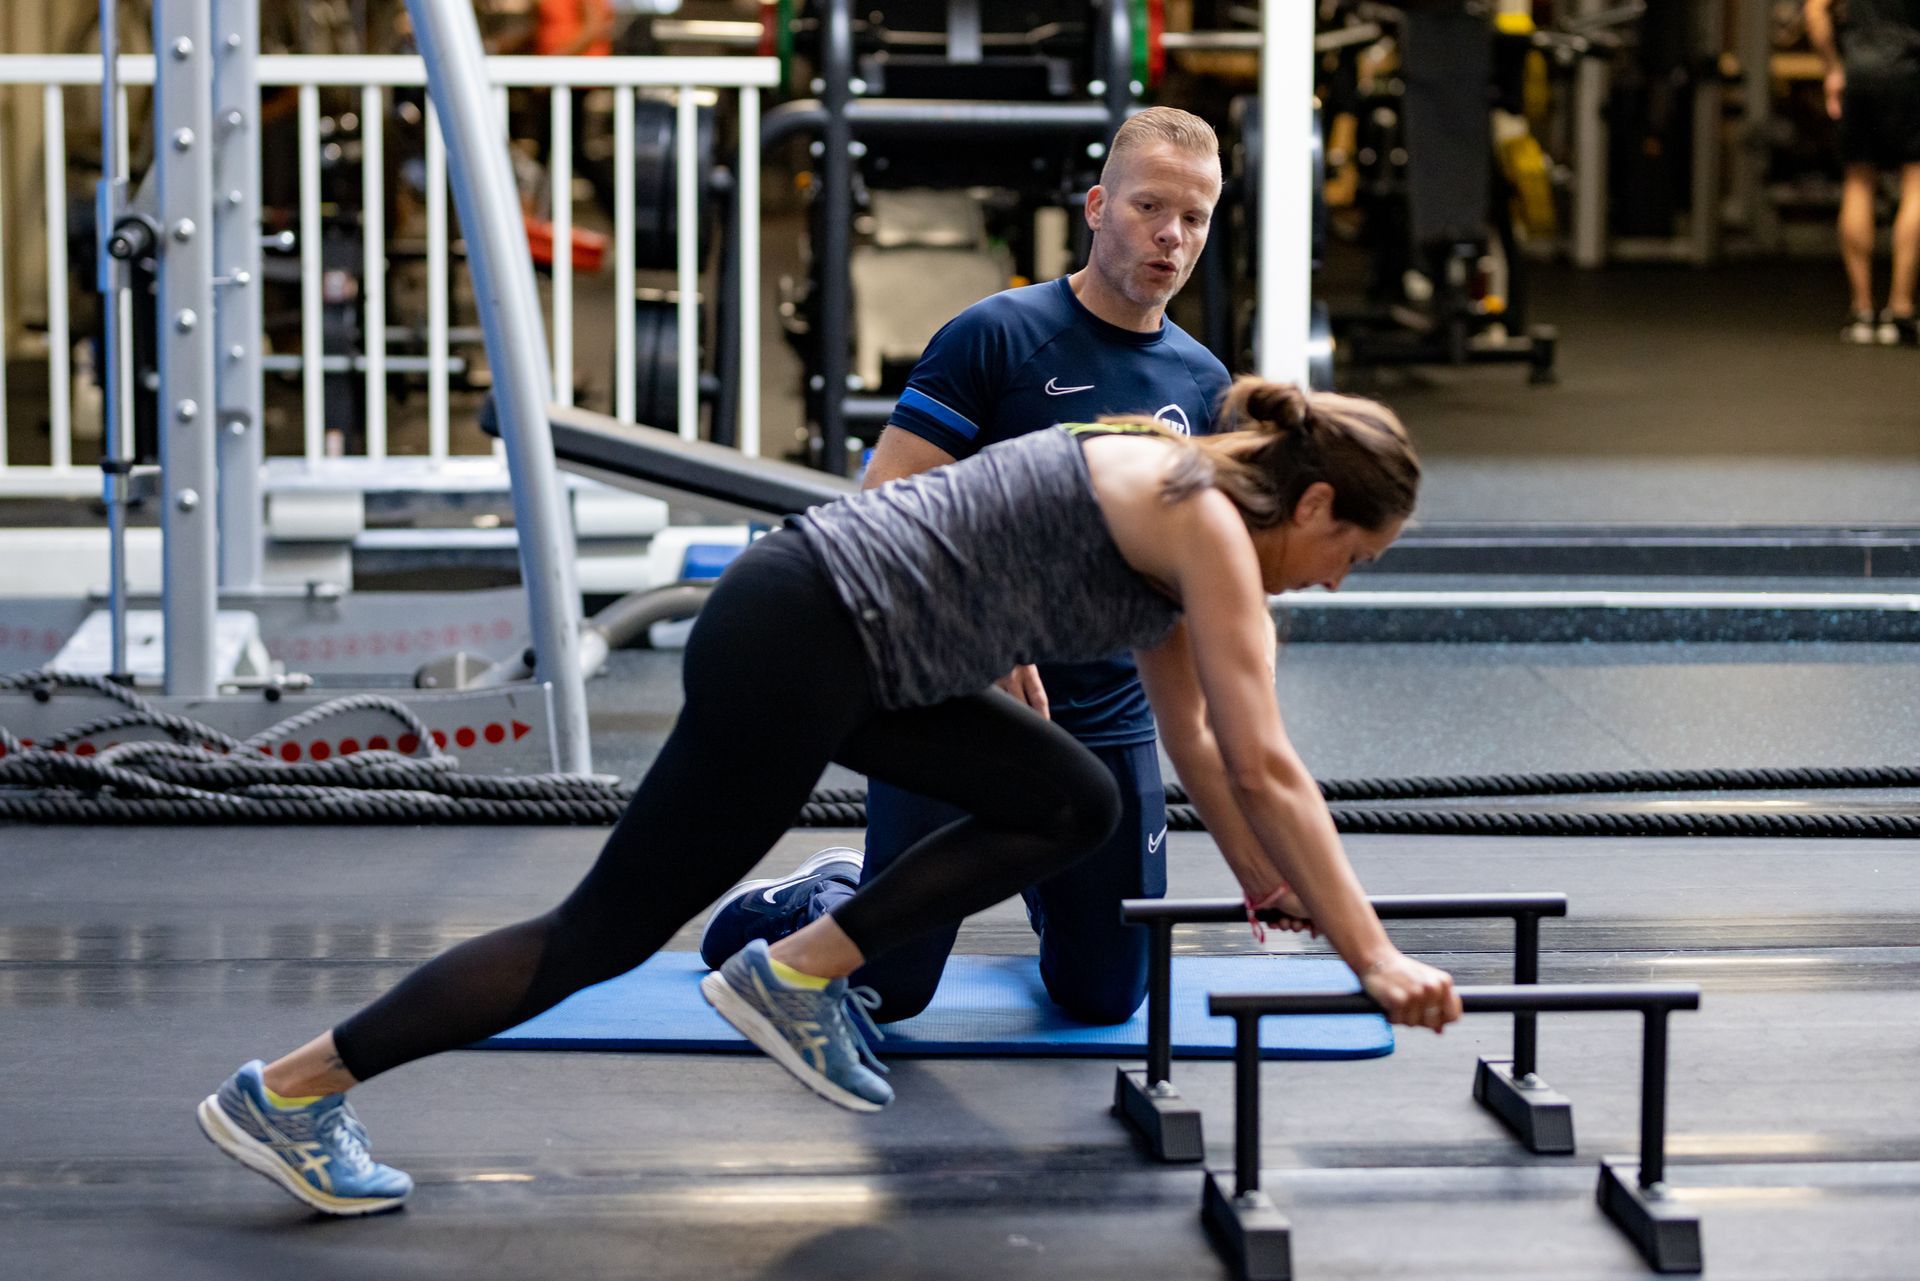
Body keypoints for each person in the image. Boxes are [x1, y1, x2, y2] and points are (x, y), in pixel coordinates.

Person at [194, 377, 1464, 1215]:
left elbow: (1199, 742)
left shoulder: (1179, 498)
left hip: (844, 648)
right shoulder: (1206, 519)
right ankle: (292, 1092)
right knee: (600, 934)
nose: (1336, 581)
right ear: (1312, 501)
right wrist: (1374, 956)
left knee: (1076, 800)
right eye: (1351, 554)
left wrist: (1267, 882)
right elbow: (1269, 760)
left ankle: (799, 971)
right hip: (801, 637)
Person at [697, 105, 1233, 1028]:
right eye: (1149, 207)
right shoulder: (997, 336)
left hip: (1103, 714)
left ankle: (1048, 876)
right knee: (891, 991)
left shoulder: (1204, 384)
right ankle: (825, 892)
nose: (1171, 236)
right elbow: (884, 511)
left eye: (1194, 218)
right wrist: (989, 637)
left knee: (1105, 997)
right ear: (1097, 207)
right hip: (959, 697)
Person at [1805, 0, 1920, 345]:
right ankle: (1900, 311)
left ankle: (1862, 311)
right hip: (1910, 73)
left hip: (1859, 73)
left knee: (1858, 182)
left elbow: (1814, 10)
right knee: (1916, 183)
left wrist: (1832, 68)